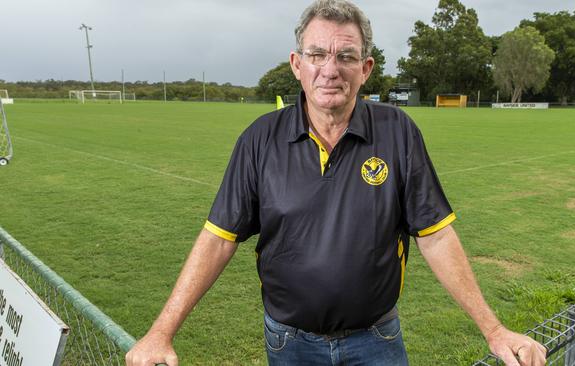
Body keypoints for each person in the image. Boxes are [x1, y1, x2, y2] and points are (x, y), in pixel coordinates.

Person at [126, 1, 547, 365]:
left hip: (376, 341)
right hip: (289, 343)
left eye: (346, 56)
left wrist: (494, 329)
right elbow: (219, 238)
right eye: (317, 54)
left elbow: (435, 235)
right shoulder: (259, 139)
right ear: (297, 65)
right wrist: (161, 331)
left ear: (365, 69)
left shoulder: (398, 131)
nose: (330, 69)